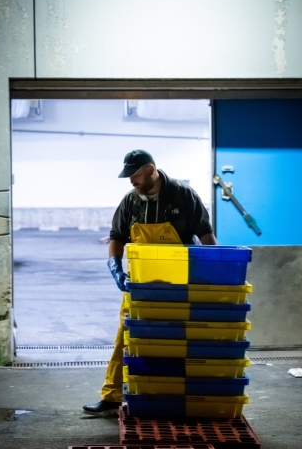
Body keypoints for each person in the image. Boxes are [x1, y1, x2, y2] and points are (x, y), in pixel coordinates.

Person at [83, 149, 217, 416]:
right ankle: (111, 396)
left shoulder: (183, 195)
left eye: (134, 175)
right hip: (140, 282)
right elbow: (117, 237)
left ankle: (179, 396)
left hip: (179, 282)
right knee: (127, 335)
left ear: (151, 170)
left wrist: (211, 278)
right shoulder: (130, 202)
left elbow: (205, 234)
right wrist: (115, 269)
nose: (131, 181)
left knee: (177, 339)